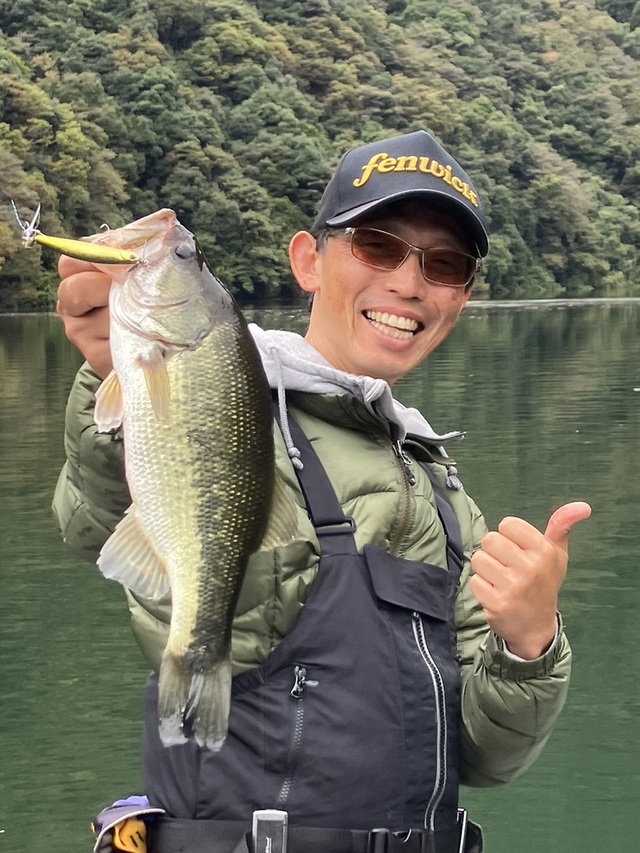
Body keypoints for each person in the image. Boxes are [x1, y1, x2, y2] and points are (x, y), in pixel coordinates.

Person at [53, 129, 591, 853]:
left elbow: (486, 757)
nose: (409, 283)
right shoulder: (234, 405)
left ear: (461, 297)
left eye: (444, 264)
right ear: (308, 260)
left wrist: (530, 644)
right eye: (378, 246)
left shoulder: (445, 493)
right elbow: (98, 517)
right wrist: (108, 372)